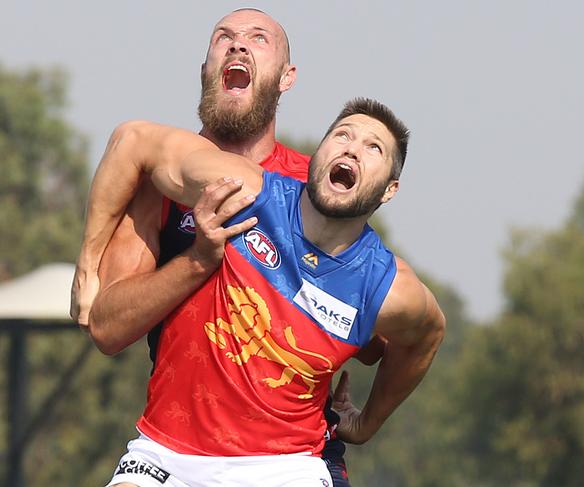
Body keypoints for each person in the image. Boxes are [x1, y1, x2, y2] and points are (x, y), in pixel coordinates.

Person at [71, 8, 387, 486]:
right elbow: (107, 329)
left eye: (258, 39)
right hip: (168, 450)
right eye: (225, 38)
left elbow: (377, 339)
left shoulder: (315, 187)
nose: (238, 45)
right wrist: (198, 261)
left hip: (294, 457)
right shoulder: (159, 183)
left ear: (287, 77)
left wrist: (362, 415)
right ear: (206, 69)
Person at [74, 97, 446, 486]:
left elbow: (427, 336)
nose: (352, 147)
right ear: (317, 156)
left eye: (374, 148)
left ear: (389, 190)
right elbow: (132, 139)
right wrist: (87, 263)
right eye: (342, 135)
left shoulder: (387, 286)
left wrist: (366, 422)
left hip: (284, 467)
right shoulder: (246, 190)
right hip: (166, 454)